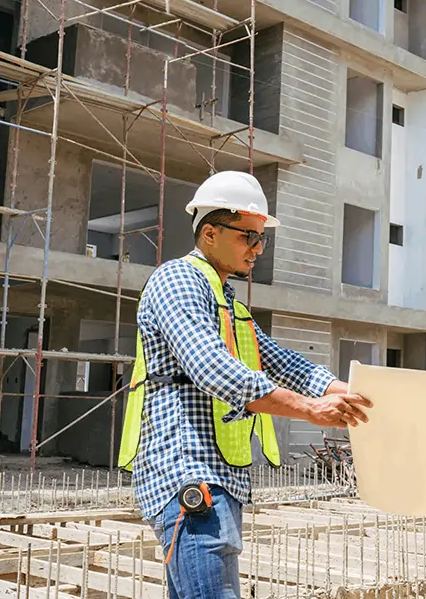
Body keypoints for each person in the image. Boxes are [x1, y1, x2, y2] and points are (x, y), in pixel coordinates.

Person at [117, 170, 372, 599]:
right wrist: (309, 410)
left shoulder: (226, 300)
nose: (257, 249)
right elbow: (212, 367)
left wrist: (345, 390)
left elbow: (280, 361)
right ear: (210, 233)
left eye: (261, 239)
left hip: (219, 477)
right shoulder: (177, 280)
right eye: (247, 236)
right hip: (188, 474)